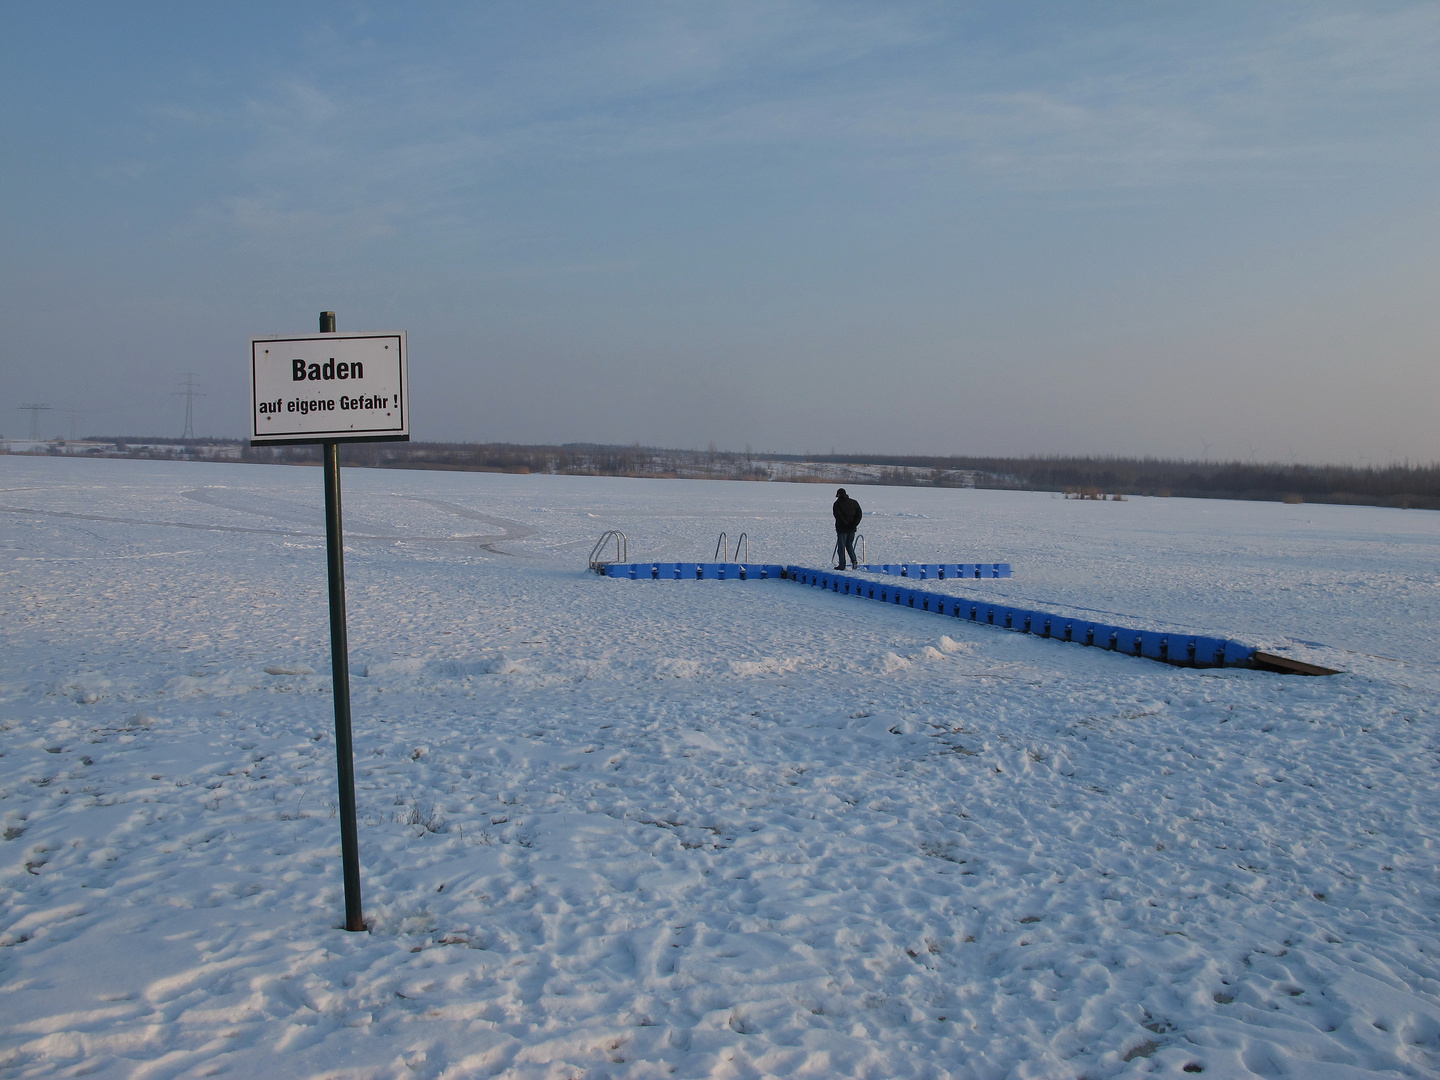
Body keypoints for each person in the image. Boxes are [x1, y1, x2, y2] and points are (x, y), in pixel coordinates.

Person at [832, 487, 862, 569]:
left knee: (841, 547)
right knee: (849, 545)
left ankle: (842, 565)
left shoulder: (837, 504)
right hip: (852, 528)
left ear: (838, 495)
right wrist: (854, 524)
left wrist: (846, 523)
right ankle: (854, 560)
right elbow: (859, 515)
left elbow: (838, 516)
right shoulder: (854, 502)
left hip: (842, 529)